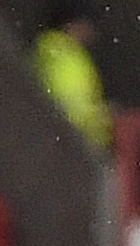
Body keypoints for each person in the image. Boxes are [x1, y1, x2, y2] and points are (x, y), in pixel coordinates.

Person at [34, 4, 110, 152]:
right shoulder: (59, 53)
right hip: (66, 142)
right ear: (72, 24)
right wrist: (103, 123)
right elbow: (71, 102)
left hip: (72, 141)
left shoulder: (74, 55)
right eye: (86, 25)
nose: (90, 32)